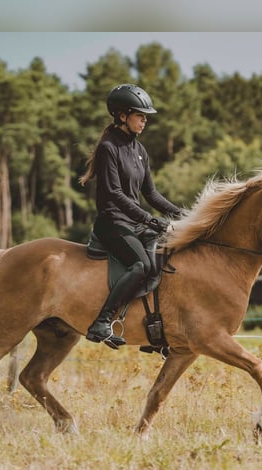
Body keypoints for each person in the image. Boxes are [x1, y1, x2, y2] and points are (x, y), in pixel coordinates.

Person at [79, 83, 183, 347]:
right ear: (122, 116)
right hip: (112, 223)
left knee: (164, 259)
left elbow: (152, 194)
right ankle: (101, 322)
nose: (144, 120)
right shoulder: (108, 148)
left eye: (145, 116)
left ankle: (153, 328)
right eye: (140, 115)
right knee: (141, 265)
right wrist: (148, 219)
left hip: (132, 224)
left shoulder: (140, 151)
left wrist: (182, 214)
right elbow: (114, 194)